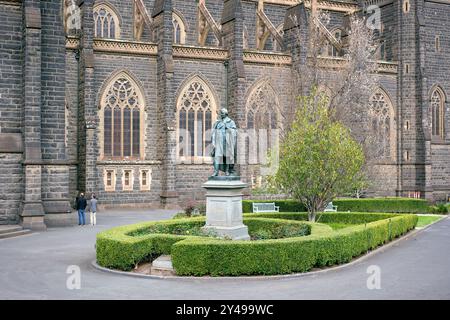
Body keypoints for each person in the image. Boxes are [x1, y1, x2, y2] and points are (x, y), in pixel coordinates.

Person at [211, 108, 237, 176]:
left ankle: (227, 171)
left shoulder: (231, 122)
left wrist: (228, 128)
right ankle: (216, 172)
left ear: (226, 114)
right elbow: (214, 132)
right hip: (219, 142)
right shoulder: (218, 123)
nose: (221, 115)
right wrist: (213, 142)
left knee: (227, 157)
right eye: (221, 113)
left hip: (227, 142)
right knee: (217, 156)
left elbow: (234, 131)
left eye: (222, 113)